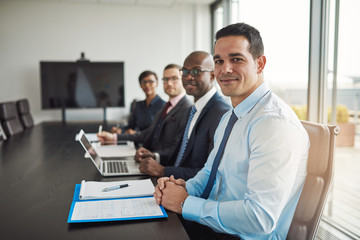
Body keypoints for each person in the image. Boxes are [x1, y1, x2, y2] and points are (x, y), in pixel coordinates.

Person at [154, 22, 310, 239]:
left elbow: (259, 218)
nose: (225, 69)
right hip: (216, 226)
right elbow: (210, 173)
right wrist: (184, 187)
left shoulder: (273, 124)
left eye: (236, 59)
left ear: (260, 63)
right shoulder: (230, 116)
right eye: (219, 61)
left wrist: (184, 202)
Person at [137, 51, 231, 180]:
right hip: (174, 183)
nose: (188, 77)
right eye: (185, 72)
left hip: (193, 192)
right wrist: (155, 156)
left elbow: (212, 173)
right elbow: (181, 151)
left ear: (212, 76)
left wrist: (164, 171)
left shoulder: (221, 112)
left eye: (196, 71)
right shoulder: (193, 110)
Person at [98, 64, 192, 164]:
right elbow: (147, 133)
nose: (169, 83)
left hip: (163, 166)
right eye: (165, 79)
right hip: (148, 156)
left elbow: (178, 148)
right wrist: (115, 138)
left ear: (184, 79)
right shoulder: (167, 107)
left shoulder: (188, 108)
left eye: (174, 78)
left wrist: (154, 156)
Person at [111, 70, 165, 135]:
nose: (147, 85)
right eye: (144, 82)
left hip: (153, 144)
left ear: (156, 83)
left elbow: (160, 132)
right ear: (140, 85)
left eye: (151, 81)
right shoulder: (138, 105)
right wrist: (120, 130)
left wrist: (137, 133)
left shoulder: (163, 106)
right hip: (138, 141)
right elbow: (131, 126)